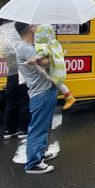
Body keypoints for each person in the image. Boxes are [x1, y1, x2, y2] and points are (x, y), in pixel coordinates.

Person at [15, 22, 59, 174]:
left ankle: (40, 152)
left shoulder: (28, 46)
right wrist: (55, 52)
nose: (36, 27)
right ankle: (33, 163)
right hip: (41, 92)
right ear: (29, 29)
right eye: (34, 25)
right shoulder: (26, 48)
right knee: (38, 127)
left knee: (44, 125)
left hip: (44, 90)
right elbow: (45, 61)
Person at [34, 24, 76, 109]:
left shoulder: (45, 46)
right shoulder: (54, 43)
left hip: (52, 68)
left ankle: (69, 98)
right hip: (57, 67)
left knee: (58, 83)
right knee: (58, 82)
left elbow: (42, 54)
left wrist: (35, 57)